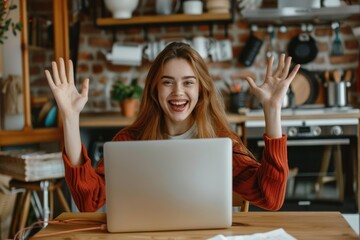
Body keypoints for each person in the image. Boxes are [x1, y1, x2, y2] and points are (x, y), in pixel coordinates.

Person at [45, 42, 300, 212]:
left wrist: (272, 110)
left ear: (201, 90)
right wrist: (70, 118)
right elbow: (88, 201)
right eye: (168, 82)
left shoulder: (222, 143)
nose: (178, 92)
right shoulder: (130, 142)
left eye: (189, 82)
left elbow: (271, 198)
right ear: (155, 90)